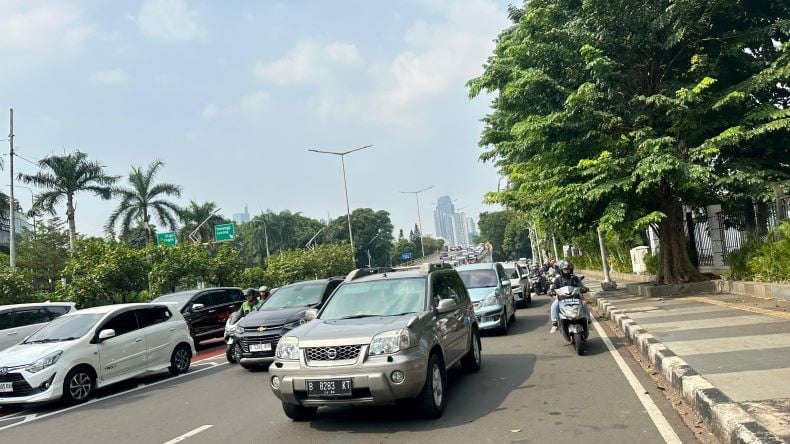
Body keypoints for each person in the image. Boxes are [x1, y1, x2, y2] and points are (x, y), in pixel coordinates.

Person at [549, 261, 589, 331]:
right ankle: (554, 322)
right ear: (561, 270)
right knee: (554, 305)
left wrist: (584, 288)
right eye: (565, 269)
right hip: (562, 298)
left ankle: (588, 318)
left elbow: (580, 285)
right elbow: (553, 287)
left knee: (584, 304)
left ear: (571, 270)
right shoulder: (558, 279)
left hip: (575, 297)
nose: (566, 271)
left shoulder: (574, 278)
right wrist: (551, 291)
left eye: (568, 269)